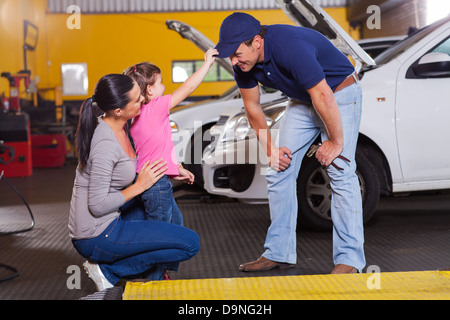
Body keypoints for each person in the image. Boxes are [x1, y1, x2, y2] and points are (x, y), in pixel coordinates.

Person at [215, 12, 365, 274]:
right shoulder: (244, 64)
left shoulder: (289, 46)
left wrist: (336, 142)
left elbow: (323, 95)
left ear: (257, 42)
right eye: (230, 55)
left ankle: (350, 260)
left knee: (340, 170)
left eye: (237, 54)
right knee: (278, 169)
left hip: (339, 94)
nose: (234, 61)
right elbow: (252, 108)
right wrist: (271, 151)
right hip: (303, 101)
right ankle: (279, 252)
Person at [68, 74, 200, 291]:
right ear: (118, 110)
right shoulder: (104, 143)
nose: (143, 101)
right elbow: (97, 205)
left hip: (111, 217)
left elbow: (145, 150)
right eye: (137, 100)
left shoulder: (122, 124)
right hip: (95, 234)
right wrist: (140, 185)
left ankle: (146, 275)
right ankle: (109, 271)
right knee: (190, 244)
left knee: (173, 218)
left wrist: (172, 170)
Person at [122, 48, 218, 224]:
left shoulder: (132, 114)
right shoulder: (155, 107)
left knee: (176, 225)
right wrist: (207, 64)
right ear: (149, 90)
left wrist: (175, 170)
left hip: (147, 179)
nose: (164, 87)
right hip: (157, 185)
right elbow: (188, 87)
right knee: (162, 232)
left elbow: (153, 151)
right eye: (161, 83)